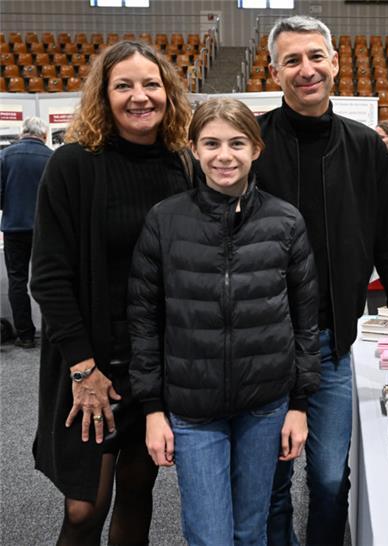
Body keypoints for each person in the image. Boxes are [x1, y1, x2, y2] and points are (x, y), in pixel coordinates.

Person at [254, 15, 388, 546]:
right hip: (262, 343)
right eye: (292, 60)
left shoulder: (366, 147)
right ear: (275, 72)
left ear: (335, 63)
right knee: (270, 478)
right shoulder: (254, 143)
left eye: (316, 56)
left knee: (326, 476)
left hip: (331, 343)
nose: (306, 69)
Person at [128, 98, 320, 545]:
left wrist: (299, 405)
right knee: (210, 536)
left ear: (256, 148)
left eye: (236, 143)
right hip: (193, 410)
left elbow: (304, 319)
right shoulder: (164, 219)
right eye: (211, 143)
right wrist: (153, 410)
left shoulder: (285, 220)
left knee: (251, 531)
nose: (224, 155)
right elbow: (143, 320)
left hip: (266, 405)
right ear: (194, 148)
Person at [29, 41, 193, 544]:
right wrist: (83, 369)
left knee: (137, 488)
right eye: (124, 85)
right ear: (104, 94)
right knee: (84, 507)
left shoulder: (182, 165)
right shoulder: (73, 165)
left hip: (154, 364)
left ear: (168, 93)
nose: (139, 96)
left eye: (151, 84)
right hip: (88, 362)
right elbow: (49, 277)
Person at [0, 116, 52, 348]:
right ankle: (53, 334)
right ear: (43, 135)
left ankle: (26, 335)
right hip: (45, 229)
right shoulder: (51, 157)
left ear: (23, 132)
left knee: (17, 280)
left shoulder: (5, 156)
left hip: (14, 228)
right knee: (50, 279)